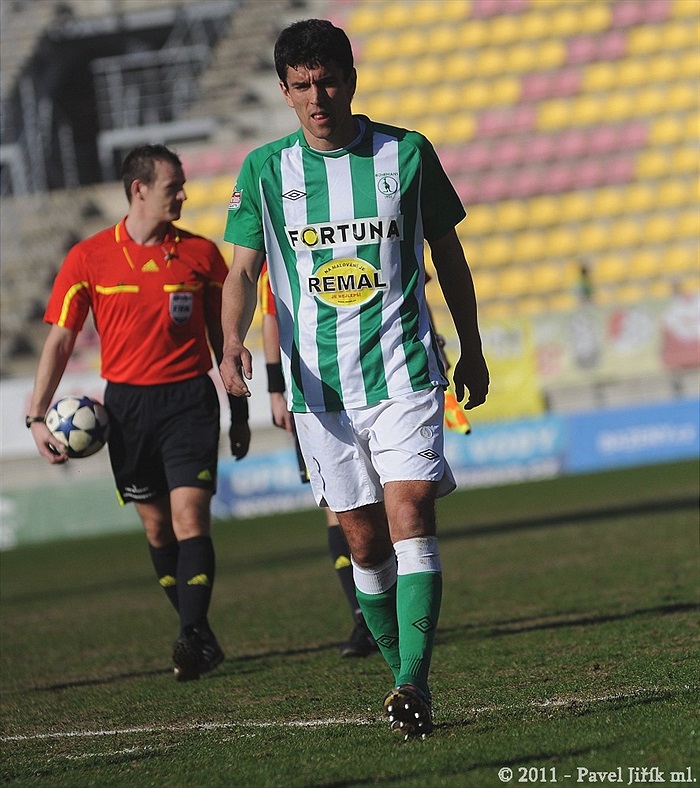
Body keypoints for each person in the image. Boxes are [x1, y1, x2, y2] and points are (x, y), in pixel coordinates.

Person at [219, 19, 489, 739]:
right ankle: (403, 677)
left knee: (412, 514)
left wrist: (471, 347)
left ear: (351, 79)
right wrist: (231, 342)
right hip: (321, 392)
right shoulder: (264, 171)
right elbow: (241, 273)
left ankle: (413, 682)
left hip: (405, 371)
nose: (317, 98)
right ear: (283, 91)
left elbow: (449, 256)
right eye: (301, 86)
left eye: (328, 81)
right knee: (364, 545)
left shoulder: (408, 153)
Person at [27, 143, 250, 682]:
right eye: (174, 187)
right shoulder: (89, 257)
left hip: (189, 401)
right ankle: (200, 635)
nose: (184, 195)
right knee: (157, 531)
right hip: (127, 408)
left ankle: (190, 636)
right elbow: (60, 340)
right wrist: (36, 416)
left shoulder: (201, 255)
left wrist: (239, 411)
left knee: (190, 517)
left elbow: (224, 338)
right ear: (139, 190)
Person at [259, 262, 378, 658]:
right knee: (340, 508)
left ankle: (393, 608)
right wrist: (275, 390)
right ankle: (364, 618)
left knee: (390, 502)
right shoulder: (280, 250)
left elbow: (410, 288)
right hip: (315, 396)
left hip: (381, 382)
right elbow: (271, 317)